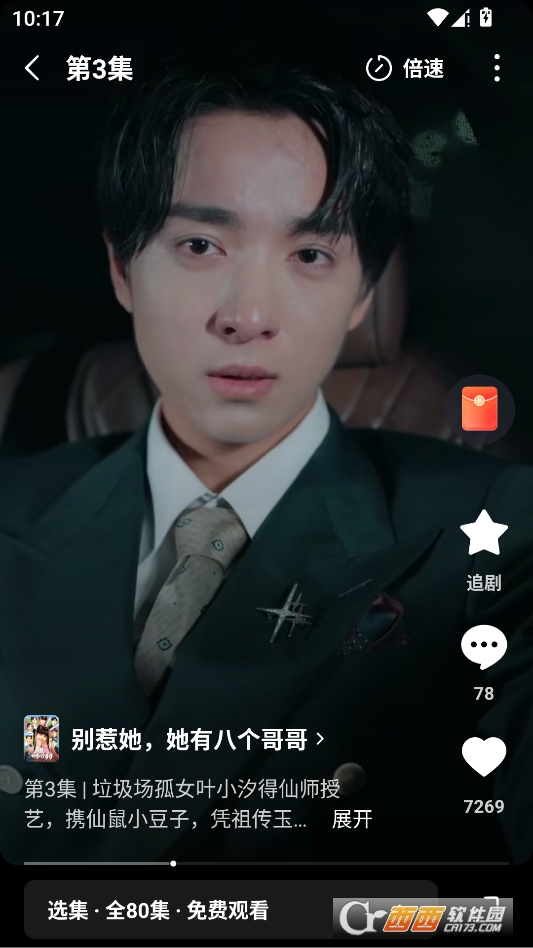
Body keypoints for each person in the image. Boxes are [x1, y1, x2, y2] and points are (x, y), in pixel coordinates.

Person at [0, 61, 532, 867]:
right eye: (199, 244)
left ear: (362, 294)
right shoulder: (12, 510)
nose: (247, 316)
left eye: (311, 254)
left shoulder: (494, 531)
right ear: (122, 269)